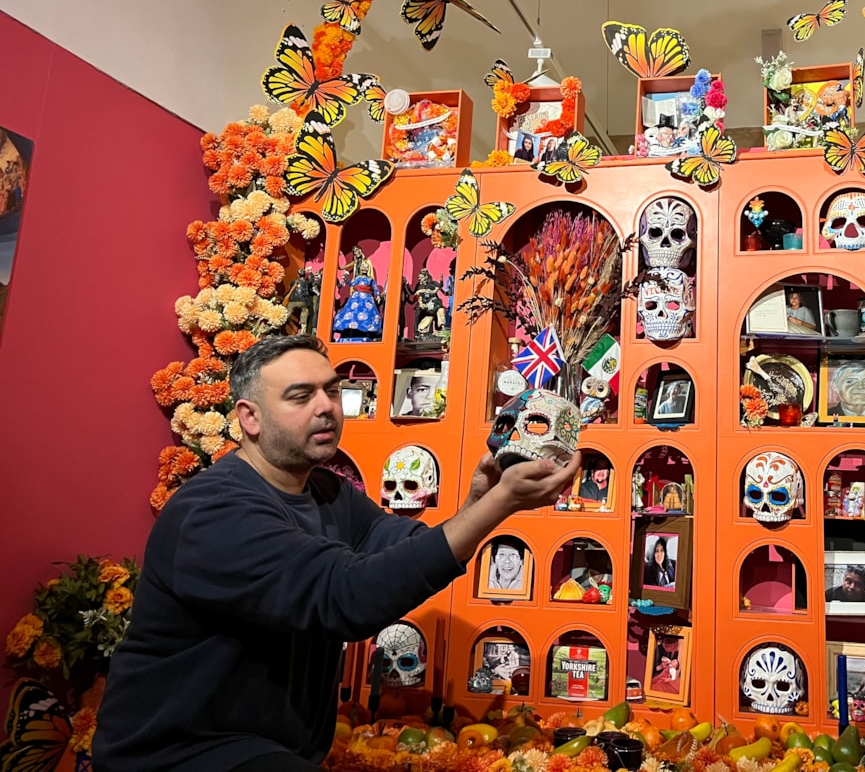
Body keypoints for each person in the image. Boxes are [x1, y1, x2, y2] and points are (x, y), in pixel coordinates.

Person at [94, 334, 580, 772]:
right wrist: (499, 505)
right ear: (249, 417)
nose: (326, 407)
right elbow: (347, 598)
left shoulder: (327, 491)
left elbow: (403, 548)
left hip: (271, 750)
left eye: (331, 390)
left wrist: (478, 501)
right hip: (181, 753)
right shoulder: (212, 510)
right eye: (300, 396)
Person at [331, 246, 383, 342]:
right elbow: (351, 284)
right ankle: (350, 332)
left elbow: (375, 288)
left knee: (367, 314)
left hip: (367, 298)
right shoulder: (357, 278)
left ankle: (366, 332)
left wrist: (378, 295)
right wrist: (346, 279)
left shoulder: (370, 279)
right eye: (363, 267)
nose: (364, 268)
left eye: (365, 267)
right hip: (356, 297)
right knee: (351, 313)